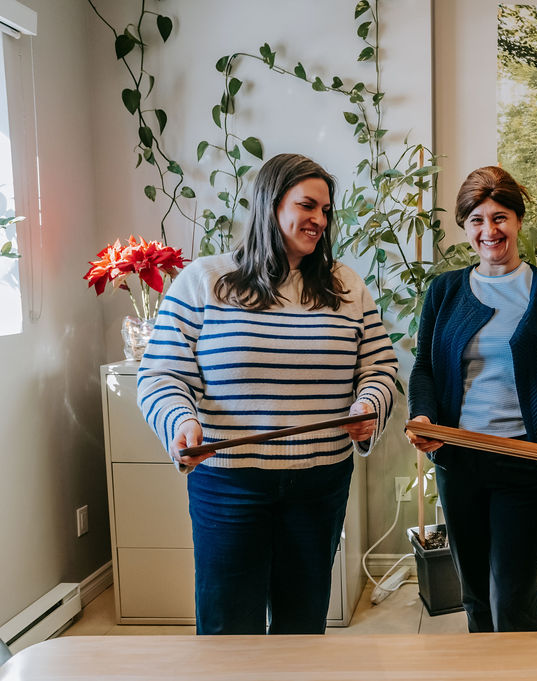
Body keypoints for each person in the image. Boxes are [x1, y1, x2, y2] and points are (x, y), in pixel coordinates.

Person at [136, 153, 398, 635]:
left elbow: (380, 368)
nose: (319, 219)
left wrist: (369, 406)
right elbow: (160, 375)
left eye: (326, 209)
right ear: (269, 205)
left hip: (319, 484)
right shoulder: (204, 282)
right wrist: (181, 422)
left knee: (303, 625)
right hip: (229, 486)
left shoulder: (347, 287)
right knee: (228, 628)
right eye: (307, 205)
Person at [405, 166, 537, 632]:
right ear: (465, 227)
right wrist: (423, 416)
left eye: (500, 217)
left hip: (526, 462)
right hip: (459, 461)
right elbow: (424, 369)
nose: (490, 231)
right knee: (474, 599)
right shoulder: (444, 291)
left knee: (513, 598)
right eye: (477, 220)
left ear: (519, 221)